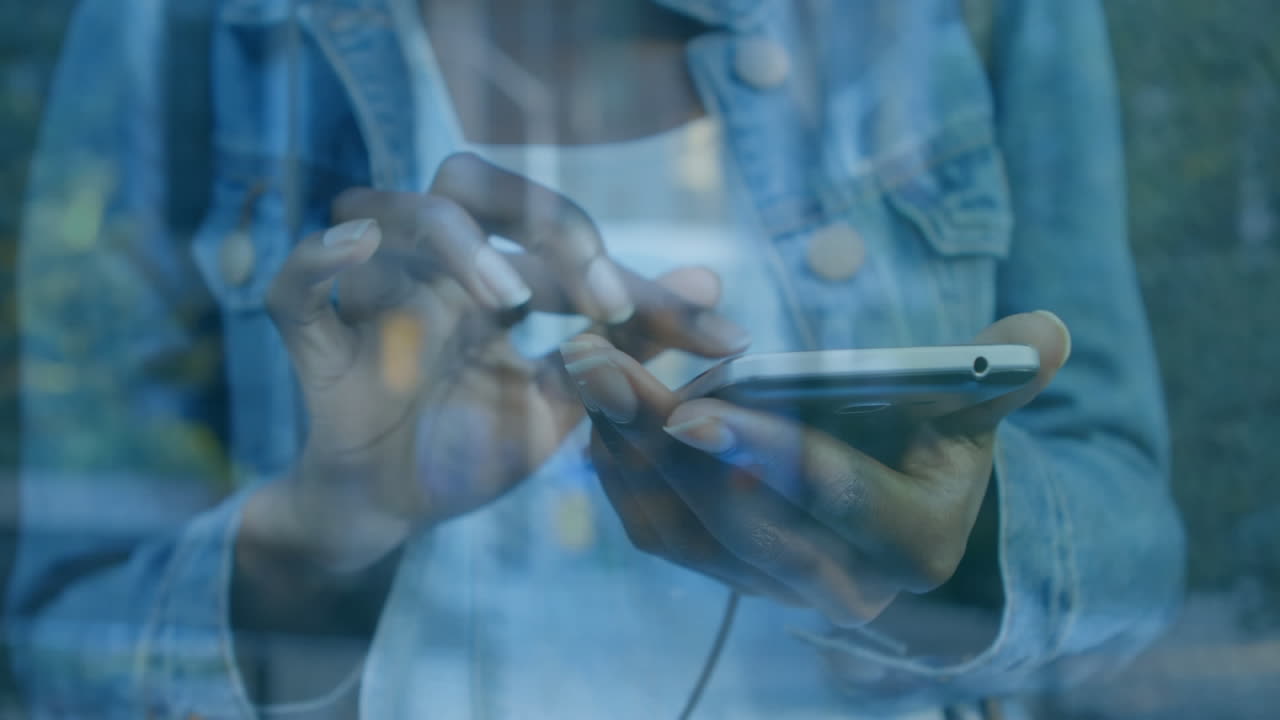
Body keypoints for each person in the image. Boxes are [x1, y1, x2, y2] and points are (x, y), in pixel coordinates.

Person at [8, 0, 1186, 717]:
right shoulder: (189, 18)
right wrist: (318, 536)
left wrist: (959, 550)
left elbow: (1132, 539)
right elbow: (51, 639)